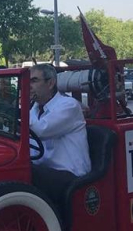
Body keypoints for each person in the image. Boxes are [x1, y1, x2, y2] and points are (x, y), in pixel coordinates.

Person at [29, 64, 91, 208]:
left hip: (69, 173)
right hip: (46, 170)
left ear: (50, 83)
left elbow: (40, 131)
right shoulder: (35, 108)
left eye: (34, 81)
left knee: (27, 175)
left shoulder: (69, 105)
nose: (29, 85)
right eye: (27, 81)